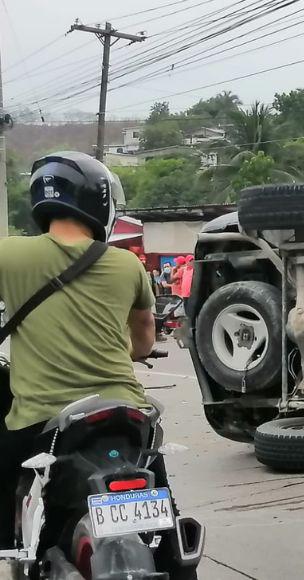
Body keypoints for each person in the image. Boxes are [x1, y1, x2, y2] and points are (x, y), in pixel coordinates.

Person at [0, 151, 156, 548]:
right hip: (123, 411)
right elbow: (145, 341)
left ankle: (8, 553)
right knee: (154, 484)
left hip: (42, 417)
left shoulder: (10, 256)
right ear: (99, 202)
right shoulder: (128, 265)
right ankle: (169, 550)